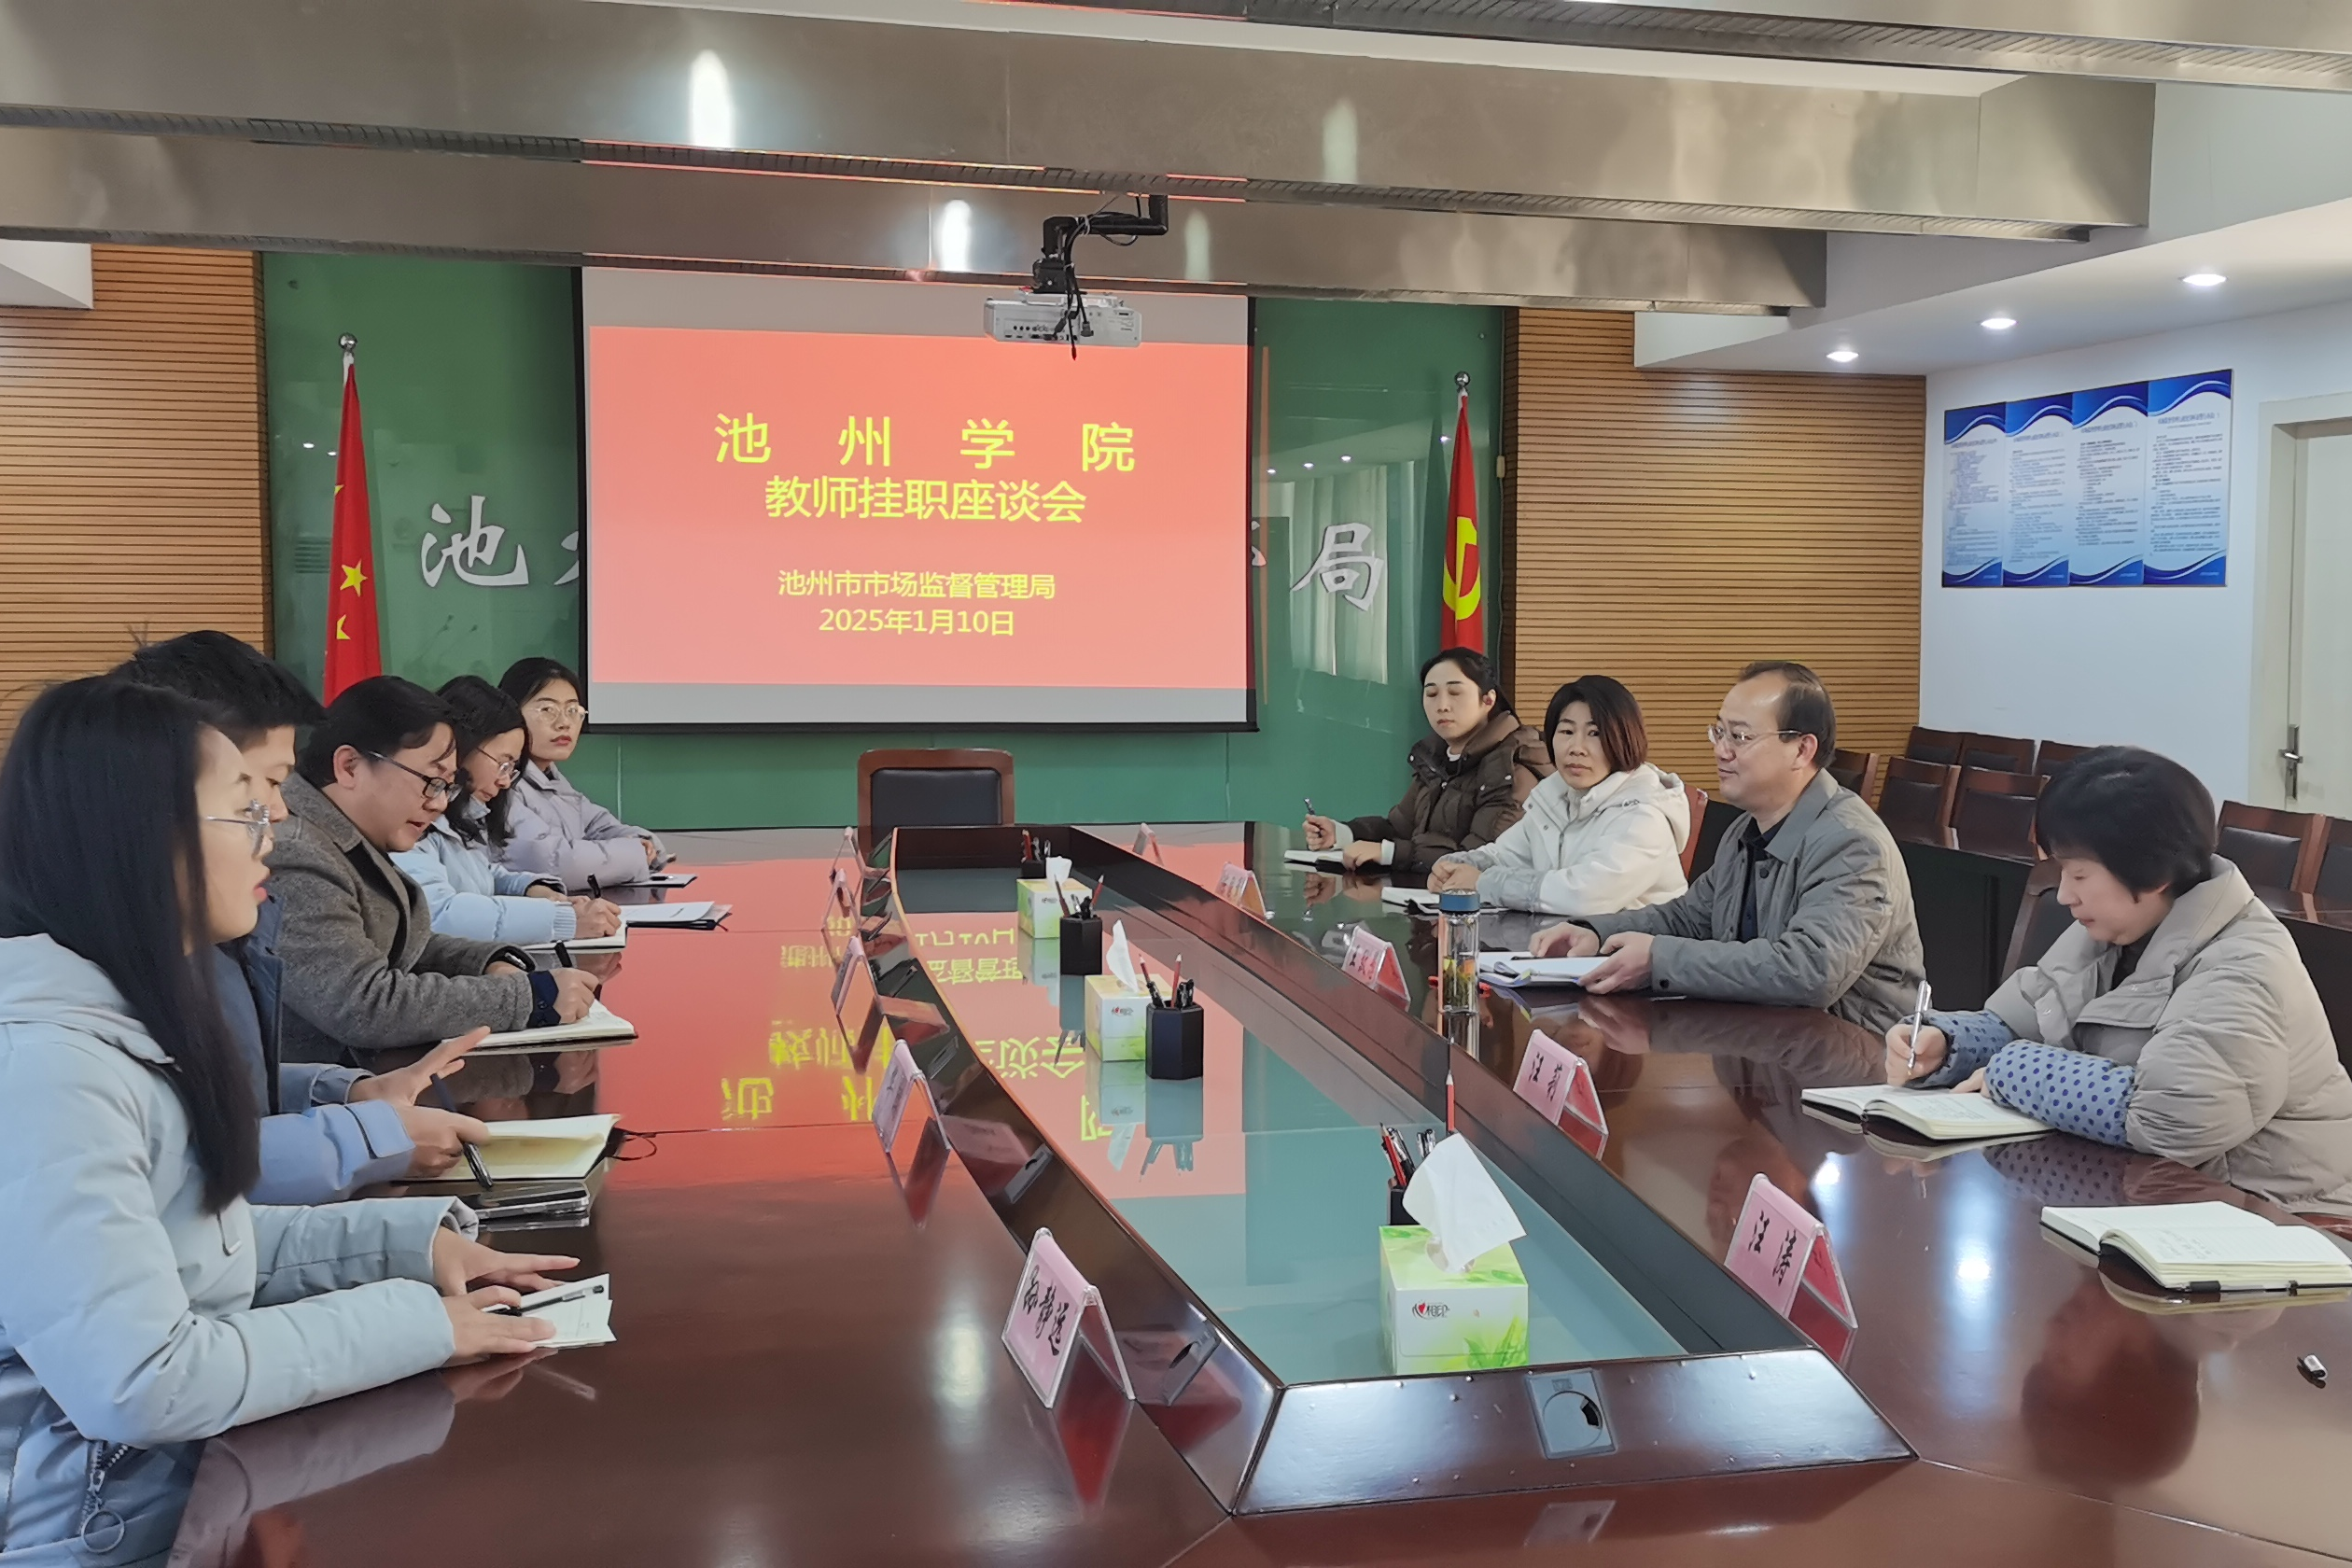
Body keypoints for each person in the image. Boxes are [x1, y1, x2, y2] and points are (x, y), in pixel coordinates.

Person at [0, 679, 567, 1560]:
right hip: (107, 1533)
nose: (274, 827)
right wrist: (420, 1326)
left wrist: (409, 1249)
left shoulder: (124, 1015)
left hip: (190, 1494)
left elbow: (200, 1241)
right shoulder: (50, 1070)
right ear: (139, 839)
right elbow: (144, 1383)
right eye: (245, 806)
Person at [1885, 746, 2352, 1213]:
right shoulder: (2116, 929)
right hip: (2151, 1195)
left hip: (2274, 1216)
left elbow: (2175, 1119)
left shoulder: (2243, 964)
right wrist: (1951, 1044)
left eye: (2079, 874)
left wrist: (2012, 1070)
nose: (2064, 894)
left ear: (2152, 873)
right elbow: (2029, 1017)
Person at [115, 630, 495, 1200]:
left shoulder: (185, 940)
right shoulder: (64, 1031)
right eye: (256, 789)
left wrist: (348, 1093)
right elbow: (186, 1174)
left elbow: (227, 1093)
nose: (278, 812)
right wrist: (367, 1138)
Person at [1532, 661, 1924, 1032]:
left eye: (1740, 737)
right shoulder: (1746, 829)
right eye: (1719, 732)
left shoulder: (1851, 844)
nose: (1721, 750)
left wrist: (1657, 959)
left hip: (1855, 1057)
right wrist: (1595, 932)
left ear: (1802, 750)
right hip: (1766, 1042)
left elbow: (1807, 971)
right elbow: (1689, 918)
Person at [270, 676, 597, 1064]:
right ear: (350, 766)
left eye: (447, 786)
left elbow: (398, 941)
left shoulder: (348, 834)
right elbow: (364, 1005)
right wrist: (528, 998)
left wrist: (482, 962)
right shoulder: (297, 852)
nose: (439, 803)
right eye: (431, 782)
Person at [1427, 674, 1689, 916]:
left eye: (1595, 733)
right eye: (1566, 732)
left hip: (1639, 948)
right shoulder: (1556, 796)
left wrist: (1483, 883)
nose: (1576, 748)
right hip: (1571, 942)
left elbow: (1583, 896)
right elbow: (1505, 855)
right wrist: (1455, 866)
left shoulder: (1644, 813)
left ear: (1625, 738)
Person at [395, 675, 623, 945]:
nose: (505, 781)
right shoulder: (409, 820)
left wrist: (531, 890)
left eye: (512, 769)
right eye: (502, 764)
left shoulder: (462, 817)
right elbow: (438, 914)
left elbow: (481, 875)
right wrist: (560, 920)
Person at [1300, 648, 1550, 875]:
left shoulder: (1512, 767)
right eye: (1431, 694)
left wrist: (1389, 853)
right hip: (1426, 897)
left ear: (1488, 700)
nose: (1442, 706)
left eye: (1455, 693)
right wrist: (1343, 833)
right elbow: (1399, 828)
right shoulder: (1434, 758)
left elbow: (1481, 857)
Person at [496, 656, 666, 889]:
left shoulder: (556, 783)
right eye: (547, 710)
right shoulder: (500, 784)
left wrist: (644, 843)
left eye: (572, 710)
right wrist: (634, 853)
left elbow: (603, 827)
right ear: (511, 713)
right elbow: (550, 862)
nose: (564, 723)